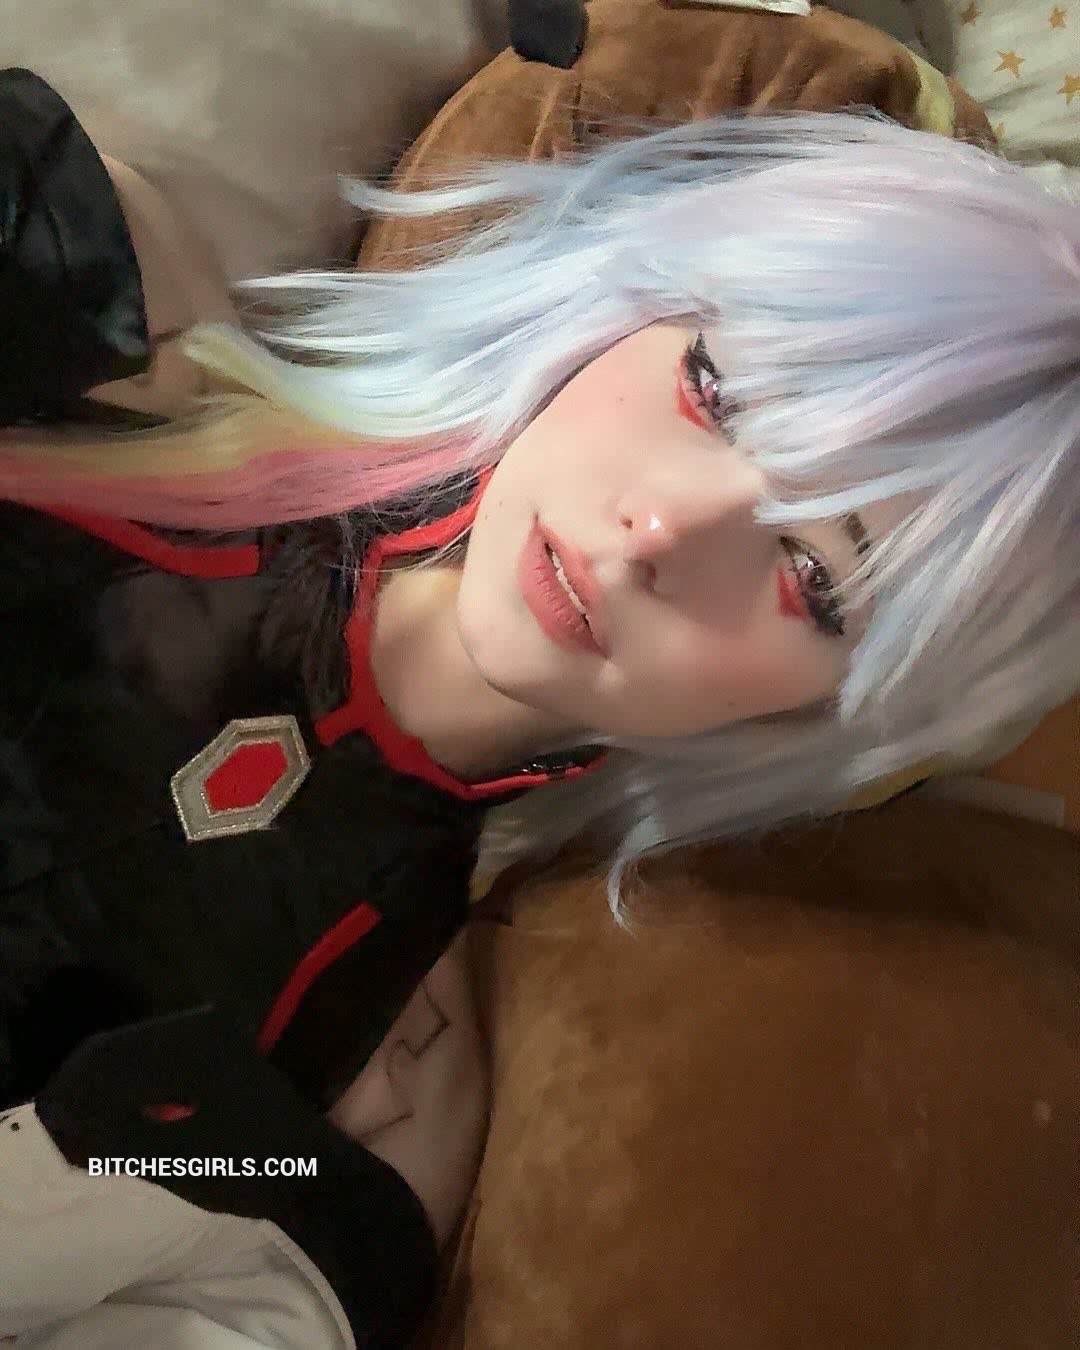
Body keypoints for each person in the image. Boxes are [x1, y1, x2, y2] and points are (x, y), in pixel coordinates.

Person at [1, 69, 1078, 1348]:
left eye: (811, 576)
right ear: (632, 307)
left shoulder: (382, 1032)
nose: (662, 528)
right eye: (716, 390)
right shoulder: (89, 306)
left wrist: (313, 1201)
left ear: (843, 710)